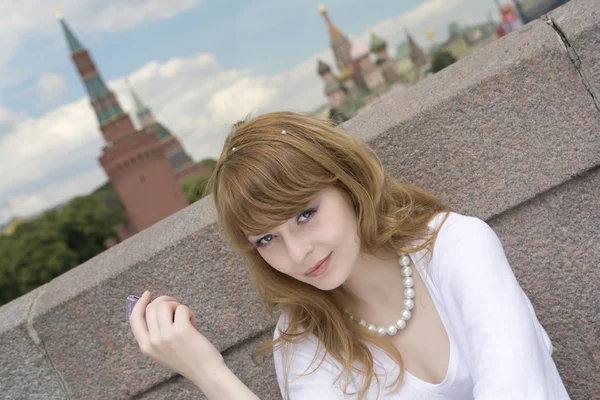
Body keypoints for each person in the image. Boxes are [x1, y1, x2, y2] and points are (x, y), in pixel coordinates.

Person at [129, 112, 571, 399]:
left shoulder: (455, 246)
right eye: (267, 239)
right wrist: (210, 374)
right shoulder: (305, 342)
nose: (298, 253)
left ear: (346, 182)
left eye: (305, 214)